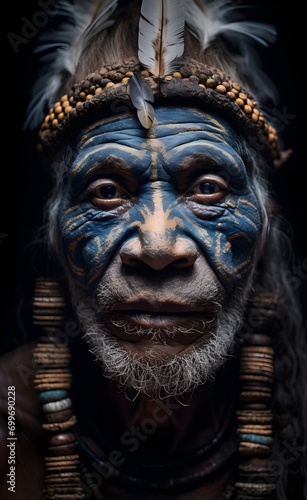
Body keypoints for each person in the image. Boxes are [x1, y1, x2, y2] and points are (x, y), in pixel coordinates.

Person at [1, 0, 306, 498]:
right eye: (106, 191)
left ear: (266, 219)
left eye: (208, 188)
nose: (159, 247)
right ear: (55, 228)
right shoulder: (8, 418)